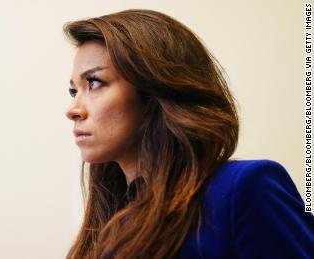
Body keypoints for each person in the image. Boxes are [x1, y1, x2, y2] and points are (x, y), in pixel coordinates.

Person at [63, 9, 314, 259]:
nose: (73, 110)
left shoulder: (245, 189)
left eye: (94, 83)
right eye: (74, 91)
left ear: (154, 88)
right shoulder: (109, 225)